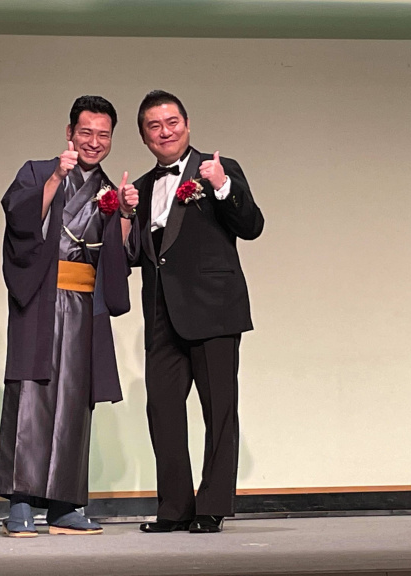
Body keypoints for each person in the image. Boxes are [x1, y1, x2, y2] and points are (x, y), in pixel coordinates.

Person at [0, 95, 139, 537]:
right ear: (70, 132)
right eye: (86, 132)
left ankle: (63, 506)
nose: (94, 142)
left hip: (83, 304)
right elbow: (20, 222)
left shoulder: (109, 190)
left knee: (75, 400)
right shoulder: (38, 171)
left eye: (103, 135)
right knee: (30, 396)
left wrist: (125, 213)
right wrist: (57, 176)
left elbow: (119, 256)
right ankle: (20, 503)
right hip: (41, 296)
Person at [123, 90, 264, 534]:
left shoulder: (219, 169)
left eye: (172, 122)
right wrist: (124, 215)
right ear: (144, 136)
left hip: (214, 310)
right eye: (154, 126)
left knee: (219, 410)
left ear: (187, 124)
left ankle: (213, 506)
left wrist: (222, 186)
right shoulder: (142, 188)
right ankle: (175, 508)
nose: (165, 132)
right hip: (161, 313)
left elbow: (252, 226)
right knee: (162, 412)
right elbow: (134, 256)